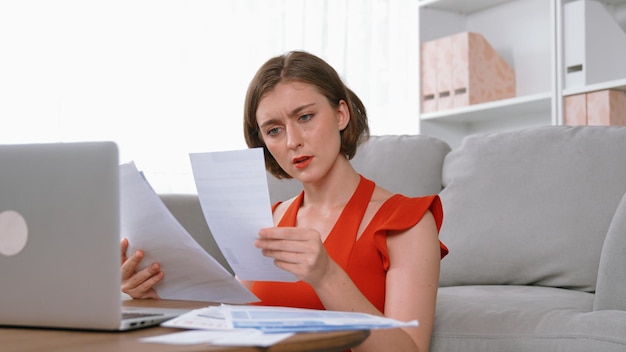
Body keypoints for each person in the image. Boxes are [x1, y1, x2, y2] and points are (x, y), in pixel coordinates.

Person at [121, 50, 448, 352]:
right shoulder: (267, 220)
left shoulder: (408, 221)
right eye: (274, 130)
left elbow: (408, 349)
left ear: (341, 114)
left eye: (305, 117)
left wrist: (327, 276)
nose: (293, 141)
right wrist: (158, 299)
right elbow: (232, 326)